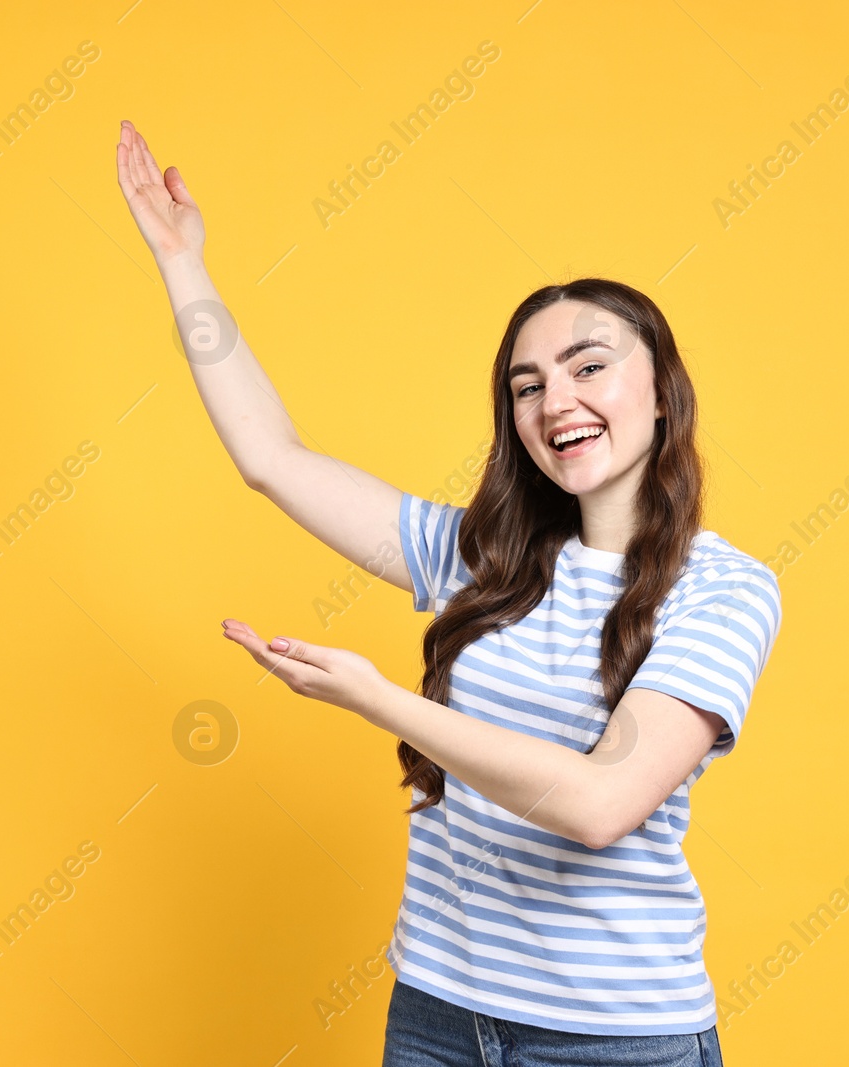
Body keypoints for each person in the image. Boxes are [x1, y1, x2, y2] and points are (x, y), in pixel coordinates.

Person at [116, 120, 783, 1066]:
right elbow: (272, 457)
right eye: (527, 385)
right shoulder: (484, 558)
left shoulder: (721, 590)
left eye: (590, 366)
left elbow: (600, 805)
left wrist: (376, 699)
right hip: (437, 1015)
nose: (556, 403)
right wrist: (183, 264)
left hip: (611, 1039)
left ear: (663, 391)